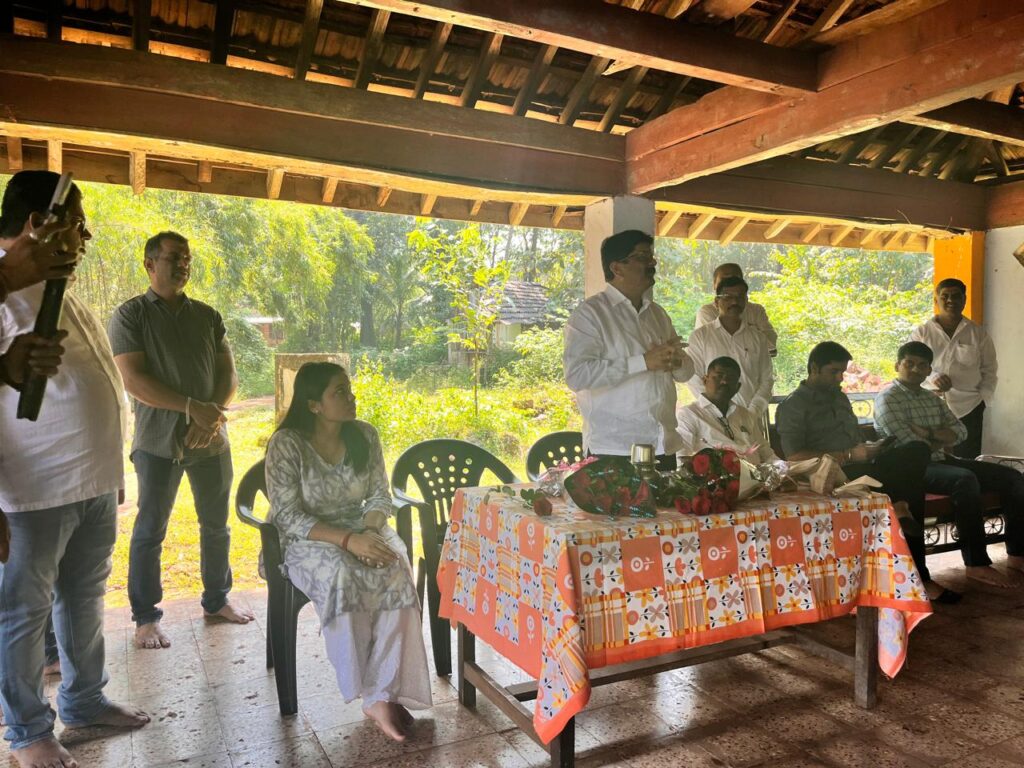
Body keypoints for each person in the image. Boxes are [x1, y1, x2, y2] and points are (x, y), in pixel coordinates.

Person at [0, 171, 149, 768]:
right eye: (77, 225)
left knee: (83, 597)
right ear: (40, 223)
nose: (84, 238)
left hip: (90, 483)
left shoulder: (56, 285)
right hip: (32, 491)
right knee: (22, 613)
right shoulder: (4, 290)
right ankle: (27, 731)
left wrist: (110, 472)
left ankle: (85, 701)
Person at [265, 362, 431, 742]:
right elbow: (287, 516)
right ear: (313, 404)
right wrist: (347, 541)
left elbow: (380, 496)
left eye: (349, 389)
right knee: (344, 574)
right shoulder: (287, 444)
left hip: (363, 527)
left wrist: (369, 535)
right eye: (339, 392)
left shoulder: (364, 435)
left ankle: (383, 692)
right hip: (308, 539)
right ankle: (373, 693)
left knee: (395, 566)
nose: (351, 397)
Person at [108, 231, 253, 650]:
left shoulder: (207, 315)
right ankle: (146, 618)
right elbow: (133, 380)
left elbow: (229, 375)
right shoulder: (130, 315)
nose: (183, 265)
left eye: (187, 259)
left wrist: (210, 415)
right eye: (174, 258)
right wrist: (192, 408)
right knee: (150, 529)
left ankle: (217, 600)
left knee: (216, 525)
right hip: (158, 442)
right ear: (150, 264)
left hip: (211, 440)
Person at [775, 341, 954, 602]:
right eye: (834, 372)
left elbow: (852, 438)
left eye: (842, 372)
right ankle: (918, 574)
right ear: (814, 368)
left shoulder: (838, 397)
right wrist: (848, 455)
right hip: (831, 476)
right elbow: (793, 457)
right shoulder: (793, 406)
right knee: (909, 490)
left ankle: (902, 516)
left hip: (862, 467)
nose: (840, 378)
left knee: (916, 450)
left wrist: (872, 448)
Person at [875, 341, 1024, 589]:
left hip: (942, 460)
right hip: (912, 469)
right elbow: (910, 443)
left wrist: (928, 432)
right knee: (963, 479)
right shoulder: (887, 398)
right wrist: (940, 437)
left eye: (922, 365)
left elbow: (961, 431)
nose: (915, 369)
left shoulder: (931, 398)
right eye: (909, 363)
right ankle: (976, 563)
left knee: (1012, 477)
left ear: (928, 370)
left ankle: (1018, 554)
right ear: (897, 365)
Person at [564, 230, 692, 469]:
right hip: (615, 448)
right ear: (617, 268)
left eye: (651, 257)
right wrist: (643, 362)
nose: (652, 263)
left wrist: (678, 362)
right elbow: (577, 375)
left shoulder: (657, 314)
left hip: (663, 445)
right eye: (642, 257)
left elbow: (686, 373)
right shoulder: (591, 314)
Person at [910, 278, 996, 459]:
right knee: (931, 457)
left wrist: (984, 400)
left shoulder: (978, 334)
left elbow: (989, 369)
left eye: (956, 296)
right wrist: (933, 376)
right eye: (945, 296)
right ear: (936, 300)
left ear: (964, 300)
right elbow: (910, 365)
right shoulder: (922, 333)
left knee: (968, 459)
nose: (951, 300)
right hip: (928, 405)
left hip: (969, 407)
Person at [685, 276, 773, 420]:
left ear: (746, 301)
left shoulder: (758, 338)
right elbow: (694, 378)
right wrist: (715, 411)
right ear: (716, 302)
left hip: (751, 418)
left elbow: (766, 380)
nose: (734, 302)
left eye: (739, 297)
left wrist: (752, 413)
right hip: (714, 420)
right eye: (728, 297)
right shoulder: (700, 336)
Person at [677, 356, 778, 464]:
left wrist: (785, 467)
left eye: (731, 378)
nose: (724, 382)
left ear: (737, 387)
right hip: (716, 475)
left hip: (757, 473)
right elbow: (682, 459)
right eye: (719, 376)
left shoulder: (745, 415)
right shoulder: (688, 415)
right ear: (705, 380)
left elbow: (767, 455)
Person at [695, 263, 777, 356]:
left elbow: (770, 345)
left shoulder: (756, 310)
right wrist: (752, 330)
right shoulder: (707, 312)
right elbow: (711, 346)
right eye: (725, 279)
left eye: (735, 279)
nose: (731, 283)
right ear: (714, 284)